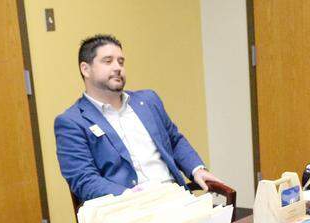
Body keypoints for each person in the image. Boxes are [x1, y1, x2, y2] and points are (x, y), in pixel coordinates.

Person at [54, 34, 222, 202]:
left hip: (176, 200)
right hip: (129, 212)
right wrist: (132, 198)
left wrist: (197, 169)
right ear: (85, 69)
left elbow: (174, 140)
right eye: (108, 61)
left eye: (121, 62)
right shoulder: (72, 122)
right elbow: (84, 179)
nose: (117, 67)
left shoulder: (148, 101)